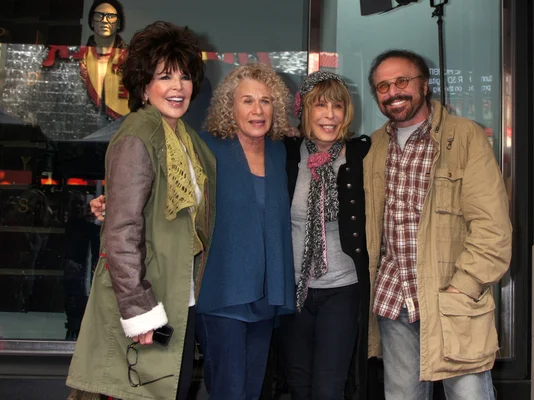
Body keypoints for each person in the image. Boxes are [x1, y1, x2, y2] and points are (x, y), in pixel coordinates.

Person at [66, 21, 215, 400]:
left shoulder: (185, 138)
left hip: (179, 295)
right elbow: (122, 230)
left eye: (184, 76)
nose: (178, 87)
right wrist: (139, 310)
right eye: (165, 76)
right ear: (144, 85)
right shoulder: (139, 134)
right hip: (146, 303)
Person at [363, 49, 512, 400]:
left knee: (469, 395)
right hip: (393, 299)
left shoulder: (464, 137)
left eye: (402, 81)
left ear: (425, 85)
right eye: (383, 86)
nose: (393, 91)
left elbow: (493, 226)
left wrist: (465, 286)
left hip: (452, 301)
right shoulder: (373, 146)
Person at [195, 63, 296, 400]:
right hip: (222, 294)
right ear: (229, 106)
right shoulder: (206, 148)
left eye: (266, 101)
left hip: (266, 297)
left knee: (252, 391)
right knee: (229, 389)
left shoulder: (280, 151)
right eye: (248, 101)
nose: (258, 110)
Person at [279, 71, 370, 400]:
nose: (330, 115)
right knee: (299, 385)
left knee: (329, 387)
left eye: (338, 106)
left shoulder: (361, 157)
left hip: (342, 289)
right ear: (304, 109)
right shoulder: (286, 156)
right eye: (320, 105)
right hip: (293, 291)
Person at [81, 0, 129, 119]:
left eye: (111, 16)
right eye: (99, 15)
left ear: (118, 23)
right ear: (92, 22)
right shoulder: (79, 59)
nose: (104, 20)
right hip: (86, 124)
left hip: (121, 125)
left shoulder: (132, 59)